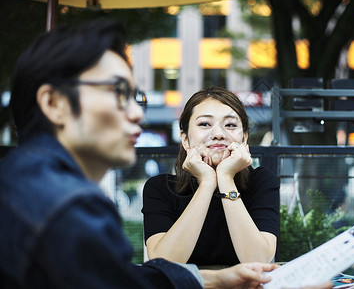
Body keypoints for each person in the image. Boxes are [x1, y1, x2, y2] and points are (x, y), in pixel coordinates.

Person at [0, 19, 282, 289]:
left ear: (245, 135)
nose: (137, 113)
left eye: (137, 98)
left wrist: (215, 281)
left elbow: (119, 281)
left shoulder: (25, 185)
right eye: (118, 93)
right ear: (54, 103)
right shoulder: (68, 206)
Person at [142, 87, 280, 265]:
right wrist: (206, 183)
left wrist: (226, 178)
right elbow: (164, 263)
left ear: (244, 139)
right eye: (205, 124)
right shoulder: (159, 188)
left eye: (230, 125)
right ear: (185, 139)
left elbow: (259, 260)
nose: (218, 134)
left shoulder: (261, 181)